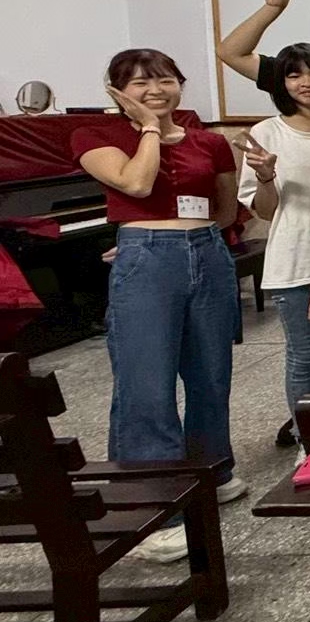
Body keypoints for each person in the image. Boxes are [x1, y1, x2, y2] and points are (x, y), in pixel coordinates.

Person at [72, 49, 245, 564]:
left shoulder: (209, 141)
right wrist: (150, 128)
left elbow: (226, 209)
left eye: (165, 80)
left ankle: (211, 471)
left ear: (180, 83)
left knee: (211, 374)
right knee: (146, 381)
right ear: (116, 91)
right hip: (147, 256)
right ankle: (151, 508)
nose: (155, 91)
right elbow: (136, 183)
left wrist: (191, 238)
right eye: (140, 83)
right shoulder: (94, 136)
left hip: (207, 251)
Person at [237, 43, 310, 455]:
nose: (306, 82)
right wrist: (266, 177)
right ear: (281, 83)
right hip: (296, 257)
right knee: (307, 357)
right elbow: (265, 210)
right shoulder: (267, 133)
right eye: (294, 75)